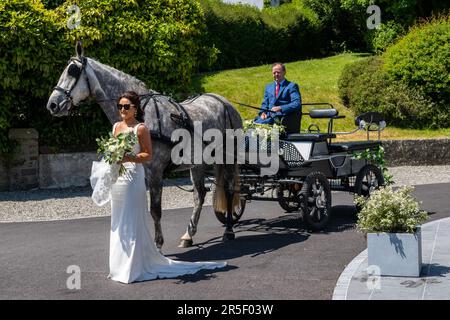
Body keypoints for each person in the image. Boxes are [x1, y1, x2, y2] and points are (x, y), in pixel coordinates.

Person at [108, 91, 226, 284]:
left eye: (126, 106)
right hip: (119, 179)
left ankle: (136, 263)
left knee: (133, 218)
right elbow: (112, 150)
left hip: (133, 178)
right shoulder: (116, 127)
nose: (122, 109)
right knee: (119, 220)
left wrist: (127, 158)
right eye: (120, 106)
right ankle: (119, 264)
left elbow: (148, 155)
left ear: (135, 108)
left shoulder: (141, 129)